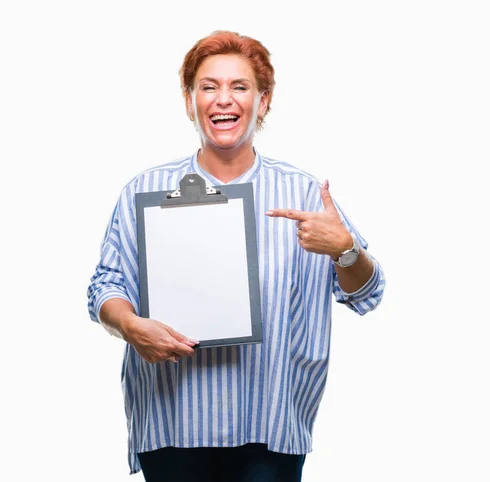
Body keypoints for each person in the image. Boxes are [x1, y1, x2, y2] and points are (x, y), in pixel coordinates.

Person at [87, 30, 386, 482]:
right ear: (190, 102)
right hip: (173, 420)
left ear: (262, 103)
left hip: (269, 423)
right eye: (208, 87)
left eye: (239, 87)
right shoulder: (143, 190)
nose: (222, 99)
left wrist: (345, 251)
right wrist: (129, 325)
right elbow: (106, 288)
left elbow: (369, 292)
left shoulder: (304, 193)